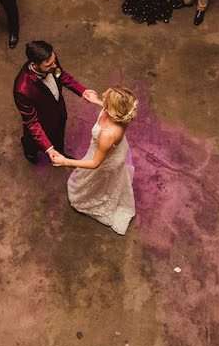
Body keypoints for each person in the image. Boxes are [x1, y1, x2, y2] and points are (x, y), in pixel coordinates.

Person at [51, 87, 138, 236]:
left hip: (105, 159)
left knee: (97, 180)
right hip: (112, 150)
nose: (103, 96)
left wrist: (66, 161)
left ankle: (95, 200)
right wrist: (96, 101)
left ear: (113, 111)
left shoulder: (108, 135)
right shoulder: (121, 114)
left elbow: (94, 164)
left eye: (106, 100)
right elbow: (112, 108)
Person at [12, 40, 99, 163]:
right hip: (41, 121)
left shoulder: (50, 60)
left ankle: (60, 152)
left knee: (58, 134)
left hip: (58, 110)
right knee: (32, 141)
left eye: (54, 61)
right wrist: (48, 149)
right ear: (35, 64)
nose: (54, 66)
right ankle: (30, 153)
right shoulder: (22, 89)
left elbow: (60, 75)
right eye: (49, 65)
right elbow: (31, 122)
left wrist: (82, 91)